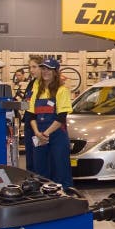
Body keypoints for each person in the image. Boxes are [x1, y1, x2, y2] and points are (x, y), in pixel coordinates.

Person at [25, 58, 73, 189]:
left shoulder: (61, 90)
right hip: (39, 135)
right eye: (44, 68)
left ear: (55, 72)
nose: (45, 72)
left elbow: (61, 117)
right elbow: (31, 115)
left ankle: (65, 199)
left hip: (56, 135)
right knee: (40, 170)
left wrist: (45, 134)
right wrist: (36, 133)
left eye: (49, 69)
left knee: (60, 169)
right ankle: (44, 200)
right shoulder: (37, 90)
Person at [20, 56, 42, 172]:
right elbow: (26, 101)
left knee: (40, 157)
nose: (31, 70)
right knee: (30, 156)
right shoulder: (32, 83)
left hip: (40, 124)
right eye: (30, 67)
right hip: (29, 123)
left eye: (34, 67)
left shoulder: (46, 84)